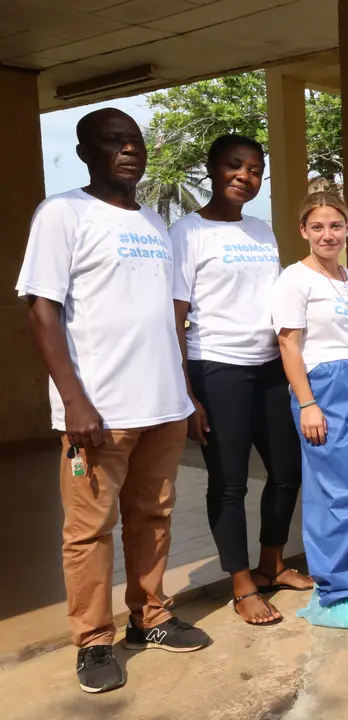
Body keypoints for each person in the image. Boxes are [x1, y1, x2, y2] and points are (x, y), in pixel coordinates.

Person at [16, 108, 210, 694]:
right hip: (98, 413)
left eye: (134, 141)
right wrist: (74, 401)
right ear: (85, 153)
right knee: (88, 531)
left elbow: (163, 318)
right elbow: (41, 310)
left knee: (153, 517)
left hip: (162, 407)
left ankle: (149, 616)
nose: (129, 150)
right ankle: (94, 639)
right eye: (113, 142)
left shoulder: (152, 221)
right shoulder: (63, 214)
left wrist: (185, 393)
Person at [172, 134, 311, 627]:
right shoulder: (186, 233)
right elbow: (176, 316)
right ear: (212, 168)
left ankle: (272, 562)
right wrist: (187, 393)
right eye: (234, 166)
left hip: (270, 368)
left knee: (287, 471)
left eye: (254, 170)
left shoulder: (262, 231)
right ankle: (242, 583)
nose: (244, 177)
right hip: (217, 370)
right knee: (229, 482)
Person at [272, 192, 348, 629]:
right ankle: (333, 593)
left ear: (347, 230)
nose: (328, 234)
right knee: (337, 492)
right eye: (318, 226)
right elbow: (288, 343)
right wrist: (307, 403)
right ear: (303, 230)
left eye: (336, 226)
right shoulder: (293, 279)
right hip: (324, 386)